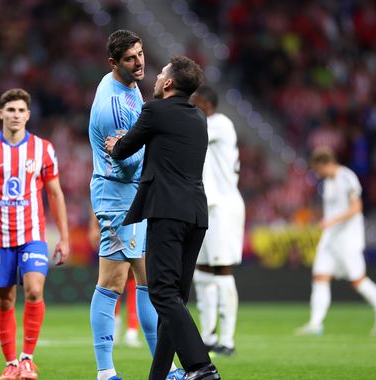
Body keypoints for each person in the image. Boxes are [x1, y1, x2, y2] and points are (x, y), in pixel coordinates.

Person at [106, 56, 221, 380]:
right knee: (175, 300)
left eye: (161, 74)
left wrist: (115, 144)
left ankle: (201, 366)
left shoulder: (155, 111)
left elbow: (125, 148)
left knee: (161, 293)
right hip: (196, 214)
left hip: (167, 212)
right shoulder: (199, 116)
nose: (155, 77)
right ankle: (158, 376)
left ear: (169, 83)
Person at [88, 30, 184, 380]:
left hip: (131, 196)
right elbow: (126, 163)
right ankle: (107, 371)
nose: (140, 62)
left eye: (141, 54)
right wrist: (154, 143)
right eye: (131, 58)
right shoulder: (113, 107)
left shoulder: (125, 83)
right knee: (116, 283)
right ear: (114, 63)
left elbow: (130, 145)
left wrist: (140, 140)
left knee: (143, 283)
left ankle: (163, 368)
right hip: (119, 197)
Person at [0, 88, 70, 380]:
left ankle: (27, 359)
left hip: (32, 233)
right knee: (4, 301)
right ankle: (10, 363)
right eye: (10, 110)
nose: (16, 115)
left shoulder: (43, 148)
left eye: (21, 110)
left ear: (28, 115)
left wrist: (63, 236)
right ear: (1, 113)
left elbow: (55, 193)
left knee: (35, 290)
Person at [296, 147, 376, 336]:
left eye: (318, 169)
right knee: (320, 277)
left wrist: (331, 221)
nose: (317, 173)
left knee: (358, 281)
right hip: (330, 238)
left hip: (348, 238)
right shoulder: (328, 183)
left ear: (326, 163)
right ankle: (316, 323)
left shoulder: (347, 177)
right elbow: (333, 209)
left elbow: (356, 208)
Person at [190, 86, 245, 356]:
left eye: (195, 102)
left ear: (206, 103)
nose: (192, 106)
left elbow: (191, 134)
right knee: (202, 270)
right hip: (206, 205)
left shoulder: (220, 124)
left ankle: (228, 339)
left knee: (222, 268)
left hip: (224, 206)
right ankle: (208, 335)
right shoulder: (207, 124)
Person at [88, 212, 141, 347]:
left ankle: (132, 329)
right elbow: (99, 201)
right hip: (114, 230)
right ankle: (115, 326)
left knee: (134, 278)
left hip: (134, 229)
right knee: (113, 280)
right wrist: (93, 227)